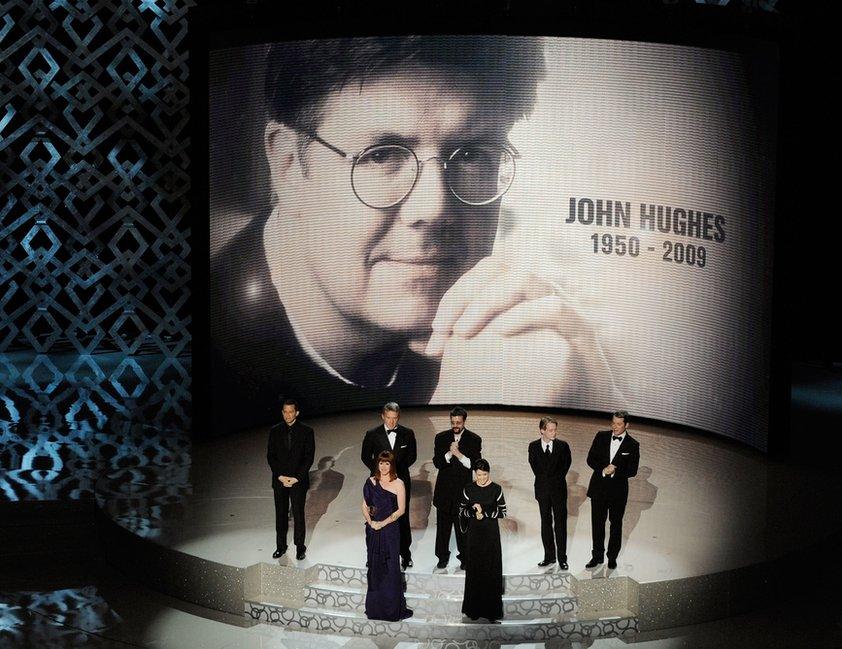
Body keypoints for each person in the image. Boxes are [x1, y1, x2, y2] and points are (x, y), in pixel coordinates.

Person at [209, 36, 620, 434]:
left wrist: (599, 406)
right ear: (288, 166)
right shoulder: (200, 372)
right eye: (382, 155)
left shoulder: (519, 333)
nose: (435, 209)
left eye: (475, 155)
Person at [361, 402, 417, 568]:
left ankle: (405, 554)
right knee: (375, 514)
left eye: (394, 418)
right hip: (378, 483)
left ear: (398, 417)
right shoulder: (372, 434)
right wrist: (381, 473)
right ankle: (373, 553)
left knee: (402, 518)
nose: (391, 422)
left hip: (400, 482)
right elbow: (365, 456)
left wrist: (395, 474)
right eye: (388, 418)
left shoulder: (408, 433)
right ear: (383, 416)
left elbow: (412, 457)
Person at [585, 410, 640, 570]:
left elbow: (633, 470)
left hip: (618, 492)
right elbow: (590, 459)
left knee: (615, 525)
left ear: (626, 425)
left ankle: (612, 557)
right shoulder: (600, 436)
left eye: (618, 424)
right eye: (613, 423)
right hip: (598, 488)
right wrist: (603, 469)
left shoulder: (632, 444)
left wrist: (615, 470)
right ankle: (597, 556)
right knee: (597, 524)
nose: (615, 427)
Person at [361, 451, 412, 621]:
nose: (383, 467)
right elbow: (364, 505)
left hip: (390, 531)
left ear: (392, 465)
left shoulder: (399, 483)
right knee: (375, 568)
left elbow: (401, 510)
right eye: (381, 463)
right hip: (373, 531)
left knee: (390, 569)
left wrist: (382, 523)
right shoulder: (371, 481)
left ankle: (391, 610)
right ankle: (376, 609)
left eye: (387, 463)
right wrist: (371, 523)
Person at [432, 406, 482, 569]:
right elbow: (437, 463)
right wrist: (448, 453)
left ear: (464, 421)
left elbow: (474, 465)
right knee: (443, 529)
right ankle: (442, 557)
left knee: (463, 528)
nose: (455, 425)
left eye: (458, 422)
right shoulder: (441, 438)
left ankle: (465, 557)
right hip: (444, 492)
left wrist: (459, 455)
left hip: (463, 492)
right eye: (453, 422)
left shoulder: (474, 439)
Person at [267, 399, 315, 560]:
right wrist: (280, 476)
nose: (288, 415)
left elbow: (309, 458)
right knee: (280, 514)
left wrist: (296, 478)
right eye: (285, 412)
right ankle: (280, 546)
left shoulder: (307, 431)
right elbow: (271, 456)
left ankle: (300, 547)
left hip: (298, 481)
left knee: (298, 514)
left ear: (297, 412)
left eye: (291, 411)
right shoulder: (274, 431)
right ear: (282, 412)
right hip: (280, 481)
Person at [459, 458, 506, 622]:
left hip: (491, 535)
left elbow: (503, 512)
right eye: (479, 475)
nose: (482, 478)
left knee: (491, 570)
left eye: (484, 475)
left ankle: (492, 612)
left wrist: (483, 511)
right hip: (474, 535)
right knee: (475, 570)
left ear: (488, 473)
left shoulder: (496, 489)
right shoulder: (469, 488)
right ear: (475, 473)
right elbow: (462, 510)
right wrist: (473, 512)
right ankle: (474, 610)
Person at [528, 416, 571, 570]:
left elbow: (566, 466)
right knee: (545, 524)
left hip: (558, 491)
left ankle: (562, 558)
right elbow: (536, 469)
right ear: (542, 430)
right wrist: (547, 481)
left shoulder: (563, 446)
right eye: (551, 430)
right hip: (542, 491)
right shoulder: (533, 447)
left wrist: (553, 480)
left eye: (555, 429)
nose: (554, 432)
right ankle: (549, 557)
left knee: (560, 525)